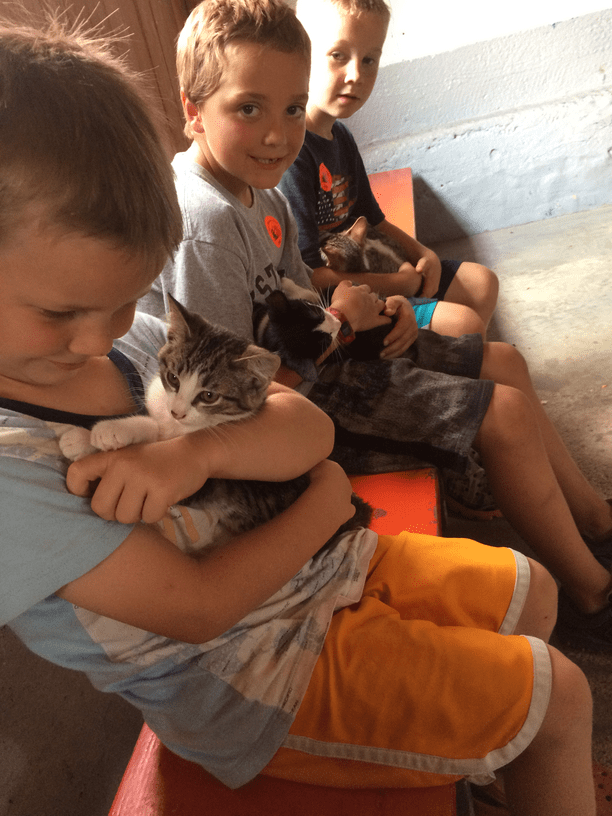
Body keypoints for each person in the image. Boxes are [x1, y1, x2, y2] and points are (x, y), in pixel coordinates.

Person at [0, 11, 598, 816]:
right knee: (563, 694)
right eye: (61, 312)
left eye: (120, 301)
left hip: (314, 574)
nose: (100, 333)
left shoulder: (132, 343)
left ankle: (482, 754)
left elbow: (307, 429)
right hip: (251, 676)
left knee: (532, 590)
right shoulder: (13, 474)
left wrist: (201, 456)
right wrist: (321, 499)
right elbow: (204, 606)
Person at [142, 0, 612, 652]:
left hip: (314, 364)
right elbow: (227, 402)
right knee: (499, 413)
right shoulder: (205, 223)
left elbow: (301, 300)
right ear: (194, 111)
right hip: (278, 421)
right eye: (248, 108)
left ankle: (594, 519)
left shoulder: (264, 192)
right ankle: (592, 595)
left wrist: (377, 315)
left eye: (289, 107)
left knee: (503, 361)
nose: (279, 134)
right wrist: (340, 323)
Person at [278, 0, 498, 339]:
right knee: (463, 325)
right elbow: (312, 276)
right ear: (301, 55)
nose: (356, 75)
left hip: (371, 269)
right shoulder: (294, 152)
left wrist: (424, 253)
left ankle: (443, 359)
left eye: (369, 60)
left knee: (483, 283)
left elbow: (373, 218)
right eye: (338, 55)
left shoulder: (341, 136)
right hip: (340, 302)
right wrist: (398, 283)